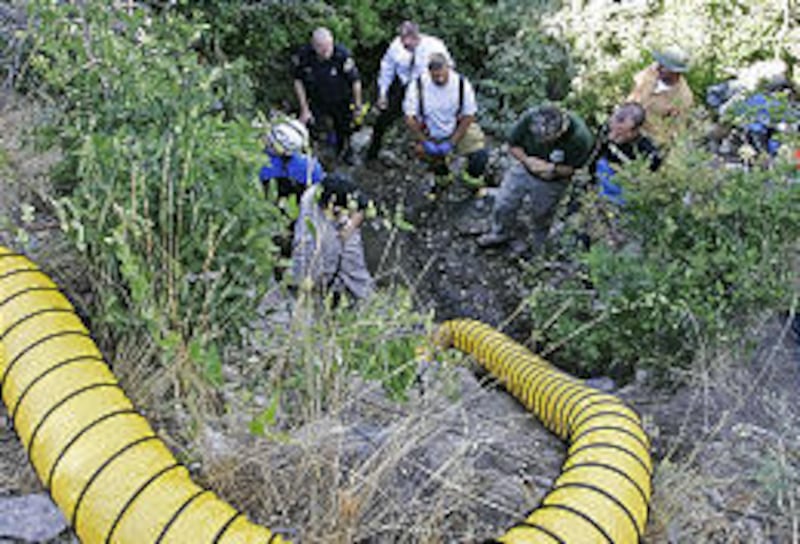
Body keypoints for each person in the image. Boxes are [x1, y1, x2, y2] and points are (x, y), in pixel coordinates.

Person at [477, 105, 594, 254]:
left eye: (547, 139)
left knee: (542, 213)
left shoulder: (580, 137)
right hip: (524, 166)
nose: (541, 142)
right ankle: (500, 233)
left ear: (561, 131)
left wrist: (551, 169)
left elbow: (576, 169)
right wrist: (527, 161)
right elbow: (513, 145)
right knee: (504, 202)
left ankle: (538, 247)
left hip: (554, 180)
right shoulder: (530, 117)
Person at [366, 20, 453, 161]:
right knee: (382, 120)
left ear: (416, 37)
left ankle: (434, 159)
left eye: (408, 44)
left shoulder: (435, 47)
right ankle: (372, 153)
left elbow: (449, 70)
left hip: (427, 91)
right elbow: (387, 68)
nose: (404, 46)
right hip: (403, 86)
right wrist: (383, 93)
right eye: (402, 42)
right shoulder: (396, 46)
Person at [403, 52, 488, 191]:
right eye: (435, 76)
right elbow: (410, 118)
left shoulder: (461, 83)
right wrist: (424, 141)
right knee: (423, 152)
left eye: (442, 74)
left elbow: (469, 116)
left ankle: (470, 180)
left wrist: (452, 142)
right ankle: (442, 178)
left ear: (448, 68)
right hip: (431, 130)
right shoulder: (417, 85)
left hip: (458, 126)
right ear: (429, 72)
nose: (439, 78)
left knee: (480, 154)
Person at [291, 173, 374, 302]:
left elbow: (362, 208)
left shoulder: (338, 192)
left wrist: (350, 226)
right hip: (315, 260)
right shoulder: (310, 204)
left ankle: (361, 297)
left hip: (341, 224)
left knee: (351, 256)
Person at [292, 27, 363, 163]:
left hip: (341, 99)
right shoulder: (304, 56)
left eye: (328, 47)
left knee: (344, 128)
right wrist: (304, 108)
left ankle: (346, 151)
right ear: (314, 46)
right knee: (313, 127)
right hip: (317, 99)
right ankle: (314, 157)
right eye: (322, 48)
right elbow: (298, 81)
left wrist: (358, 106)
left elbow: (355, 81)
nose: (326, 52)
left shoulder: (342, 55)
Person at [593, 102, 661, 206]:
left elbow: (646, 182)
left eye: (621, 131)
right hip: (598, 181)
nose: (614, 134)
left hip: (623, 189)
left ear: (635, 131)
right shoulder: (605, 129)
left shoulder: (647, 152)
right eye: (614, 126)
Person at [626, 45, 694, 145]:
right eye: (660, 63)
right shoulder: (652, 71)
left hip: (647, 139)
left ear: (676, 72)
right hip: (625, 123)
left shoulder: (684, 98)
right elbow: (635, 89)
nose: (659, 67)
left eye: (665, 66)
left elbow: (676, 131)